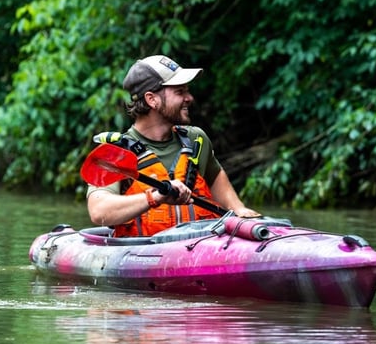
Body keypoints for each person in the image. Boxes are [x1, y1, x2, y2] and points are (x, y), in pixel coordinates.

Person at [86, 54, 260, 237]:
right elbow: (99, 212)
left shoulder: (196, 141)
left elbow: (215, 177)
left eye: (187, 91)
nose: (189, 98)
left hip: (200, 251)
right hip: (143, 255)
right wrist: (154, 197)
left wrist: (239, 209)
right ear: (152, 99)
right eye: (180, 92)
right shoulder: (114, 153)